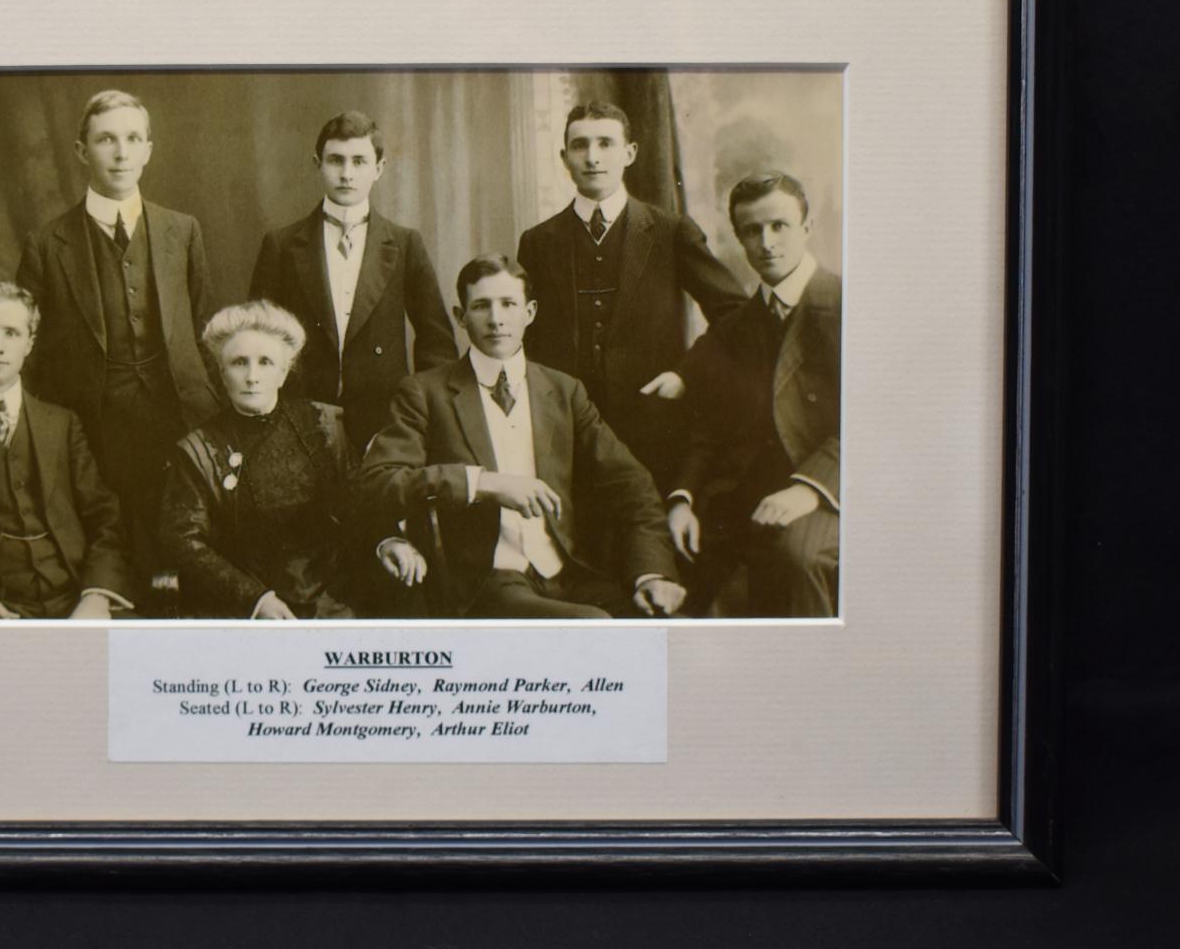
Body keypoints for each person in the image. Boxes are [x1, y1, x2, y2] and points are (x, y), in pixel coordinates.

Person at [357, 254, 686, 619]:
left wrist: (651, 574)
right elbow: (378, 483)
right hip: (483, 584)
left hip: (564, 573)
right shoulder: (425, 392)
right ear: (460, 317)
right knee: (592, 625)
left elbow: (632, 485)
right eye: (481, 306)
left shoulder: (563, 391)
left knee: (669, 627)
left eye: (508, 304)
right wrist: (482, 484)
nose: (496, 319)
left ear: (529, 312)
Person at [16, 89, 217, 575]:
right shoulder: (46, 244)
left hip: (178, 416)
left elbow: (204, 331)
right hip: (92, 426)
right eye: (106, 139)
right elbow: (32, 357)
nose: (121, 152)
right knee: (114, 555)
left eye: (132, 139)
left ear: (149, 149)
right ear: (82, 151)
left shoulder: (182, 230)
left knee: (186, 553)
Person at [517, 100, 745, 488]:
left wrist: (685, 373)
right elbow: (525, 334)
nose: (592, 157)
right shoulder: (538, 241)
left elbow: (736, 313)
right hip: (567, 433)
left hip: (654, 429)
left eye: (605, 143)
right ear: (564, 157)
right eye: (580, 146)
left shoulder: (670, 231)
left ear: (630, 153)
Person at [160, 299, 425, 619]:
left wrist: (388, 540)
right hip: (246, 606)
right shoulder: (199, 450)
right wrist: (255, 600)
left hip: (332, 598)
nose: (252, 376)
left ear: (284, 373)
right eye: (239, 363)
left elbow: (359, 500)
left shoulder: (323, 425)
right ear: (221, 372)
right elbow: (184, 541)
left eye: (265, 363)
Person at [665, 171, 841, 617]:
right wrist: (682, 498)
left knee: (799, 558)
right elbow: (709, 427)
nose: (766, 242)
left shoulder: (846, 306)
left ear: (807, 226)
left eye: (779, 225)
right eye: (751, 231)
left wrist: (811, 489)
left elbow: (877, 418)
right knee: (675, 567)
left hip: (834, 490)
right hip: (749, 494)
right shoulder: (736, 327)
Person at [249, 110, 458, 453]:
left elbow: (436, 342)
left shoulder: (404, 244)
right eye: (336, 160)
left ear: (379, 168)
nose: (346, 174)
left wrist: (429, 415)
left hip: (386, 419)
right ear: (318, 163)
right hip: (300, 416)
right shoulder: (282, 245)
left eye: (359, 161)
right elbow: (257, 339)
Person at [0, 281, 137, 619]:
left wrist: (96, 597)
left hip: (77, 598)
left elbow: (106, 520)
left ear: (29, 343)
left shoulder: (61, 425)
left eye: (12, 333)